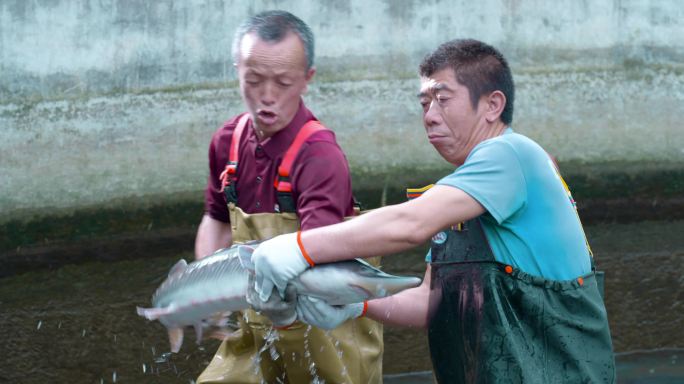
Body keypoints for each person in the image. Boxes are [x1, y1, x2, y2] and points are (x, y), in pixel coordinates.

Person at [251, 39, 616, 383]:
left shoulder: (509, 155)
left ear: (493, 105)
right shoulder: (466, 189)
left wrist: (297, 248)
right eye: (424, 103)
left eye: (442, 99)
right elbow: (431, 302)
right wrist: (356, 305)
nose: (429, 116)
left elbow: (409, 223)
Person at [194, 10, 383, 384]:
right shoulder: (226, 143)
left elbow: (320, 259)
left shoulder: (319, 156)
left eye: (282, 82)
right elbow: (215, 222)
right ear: (237, 70)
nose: (267, 96)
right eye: (253, 80)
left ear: (307, 79)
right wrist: (209, 294)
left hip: (326, 327)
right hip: (255, 323)